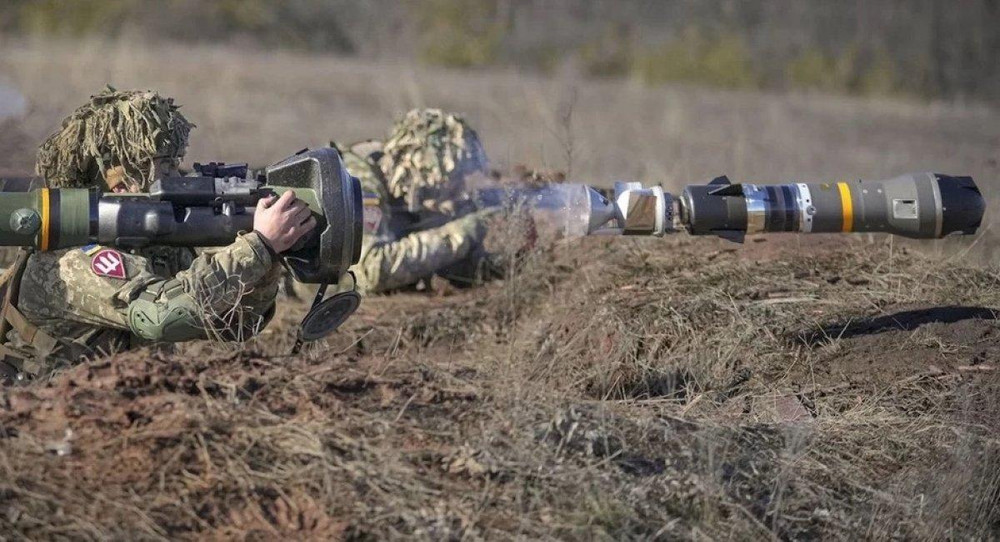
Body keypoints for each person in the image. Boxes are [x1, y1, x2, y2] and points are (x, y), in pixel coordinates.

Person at [0, 88, 315, 382]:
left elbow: (233, 325)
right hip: (40, 406)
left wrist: (267, 257)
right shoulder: (72, 258)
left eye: (174, 164)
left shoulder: (151, 247)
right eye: (163, 167)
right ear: (119, 183)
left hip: (114, 404)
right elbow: (162, 316)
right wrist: (257, 246)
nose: (176, 177)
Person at [334, 108, 504, 294]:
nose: (455, 195)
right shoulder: (358, 182)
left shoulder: (402, 183)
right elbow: (373, 270)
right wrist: (462, 233)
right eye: (451, 180)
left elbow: (444, 265)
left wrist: (503, 263)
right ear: (423, 170)